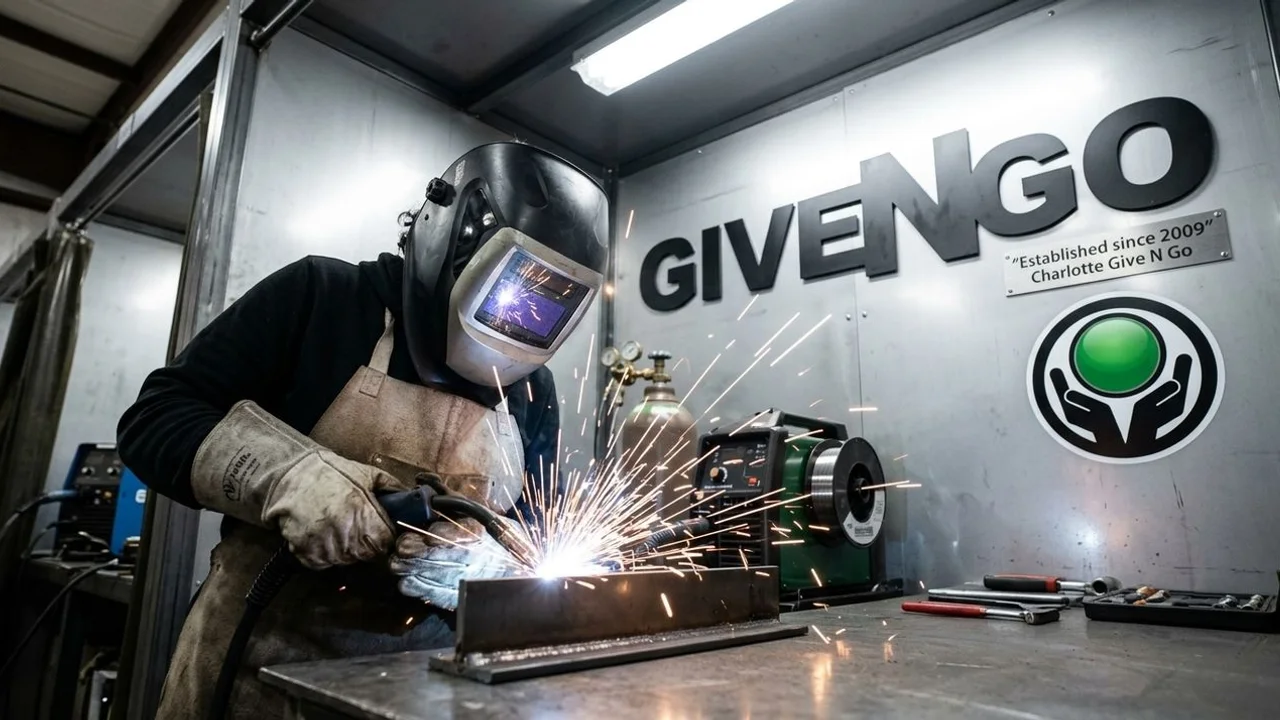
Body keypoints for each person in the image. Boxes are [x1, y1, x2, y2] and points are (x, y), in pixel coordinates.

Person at [117, 142, 609, 719]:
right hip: (255, 669)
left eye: (545, 309)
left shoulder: (531, 389)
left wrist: (492, 568)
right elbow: (157, 418)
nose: (520, 318)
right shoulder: (323, 298)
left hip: (422, 692)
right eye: (513, 292)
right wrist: (287, 479)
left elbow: (538, 530)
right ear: (451, 238)